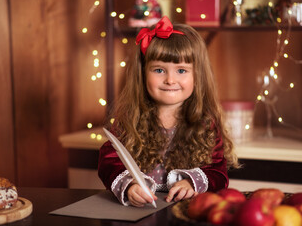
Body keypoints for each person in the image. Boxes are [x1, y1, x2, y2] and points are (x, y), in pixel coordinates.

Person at [98, 16, 239, 207]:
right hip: (139, 211)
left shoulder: (205, 123)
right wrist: (130, 185)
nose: (170, 80)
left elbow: (218, 172)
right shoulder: (129, 120)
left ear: (197, 76)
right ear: (142, 73)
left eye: (181, 71)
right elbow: (109, 162)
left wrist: (191, 183)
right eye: (159, 70)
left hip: (186, 211)